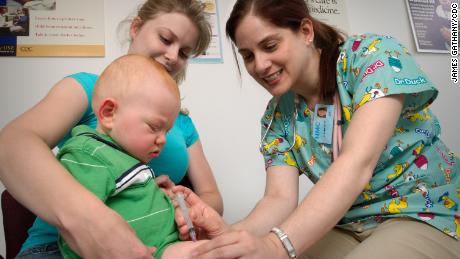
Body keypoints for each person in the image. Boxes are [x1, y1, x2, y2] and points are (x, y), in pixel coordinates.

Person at [175, 0, 460, 258]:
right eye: (248, 55)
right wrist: (227, 237)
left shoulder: (373, 58)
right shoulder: (277, 117)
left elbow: (356, 163)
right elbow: (279, 198)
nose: (260, 65)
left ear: (306, 31)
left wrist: (276, 246)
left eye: (270, 46)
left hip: (425, 213)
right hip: (348, 223)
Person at [0, 0, 222, 258]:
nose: (173, 56)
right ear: (136, 28)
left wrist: (181, 202)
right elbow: (13, 143)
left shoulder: (181, 122)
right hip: (61, 248)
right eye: (165, 38)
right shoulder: (88, 90)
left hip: (159, 247)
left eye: (184, 52)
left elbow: (211, 195)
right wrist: (89, 219)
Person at [52, 54, 209, 259]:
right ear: (109, 113)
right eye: (155, 127)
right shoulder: (88, 153)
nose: (162, 140)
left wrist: (165, 200)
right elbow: (77, 225)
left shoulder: (127, 158)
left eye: (167, 132)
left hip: (164, 246)